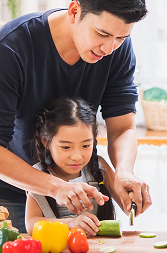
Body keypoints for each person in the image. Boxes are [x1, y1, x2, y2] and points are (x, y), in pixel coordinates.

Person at [0, 0, 151, 233]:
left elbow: (122, 126)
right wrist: (55, 187)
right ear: (75, 11)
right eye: (102, 34)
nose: (110, 48)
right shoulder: (10, 48)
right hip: (3, 192)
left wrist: (124, 170)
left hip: (73, 191)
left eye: (122, 38)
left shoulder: (116, 51)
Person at [25, 97, 122, 236]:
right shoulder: (38, 175)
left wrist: (131, 198)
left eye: (86, 145)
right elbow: (31, 224)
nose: (77, 156)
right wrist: (71, 224)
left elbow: (123, 197)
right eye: (66, 146)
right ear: (45, 141)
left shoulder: (100, 167)